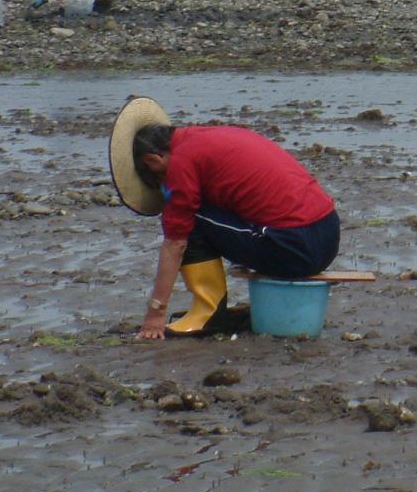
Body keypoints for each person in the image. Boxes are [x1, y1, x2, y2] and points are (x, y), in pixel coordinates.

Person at [110, 97, 340, 339]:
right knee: (198, 209)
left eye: (157, 178)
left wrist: (156, 313)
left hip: (295, 248)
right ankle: (213, 307)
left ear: (152, 160)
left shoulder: (181, 161)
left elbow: (175, 243)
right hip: (328, 233)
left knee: (185, 217)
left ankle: (209, 312)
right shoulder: (211, 136)